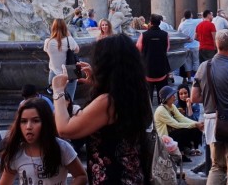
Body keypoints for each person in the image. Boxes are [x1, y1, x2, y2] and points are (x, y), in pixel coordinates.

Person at [52, 33, 153, 184]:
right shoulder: (137, 92)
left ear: (105, 64)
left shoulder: (107, 102)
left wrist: (58, 91)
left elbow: (65, 129)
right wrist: (98, 82)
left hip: (112, 178)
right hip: (133, 175)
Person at [192, 29, 228, 184]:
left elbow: (194, 97)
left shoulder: (204, 66)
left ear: (216, 45)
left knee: (217, 166)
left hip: (212, 122)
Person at [0, 96, 88, 185]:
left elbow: (81, 176)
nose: (28, 127)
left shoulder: (62, 148)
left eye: (35, 121)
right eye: (23, 121)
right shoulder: (16, 153)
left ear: (46, 122)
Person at [153, 85, 203, 159]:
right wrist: (194, 124)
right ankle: (181, 152)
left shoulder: (172, 106)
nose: (174, 96)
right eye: (172, 95)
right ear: (167, 98)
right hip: (164, 138)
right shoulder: (161, 110)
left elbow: (182, 118)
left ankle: (192, 148)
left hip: (172, 132)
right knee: (183, 131)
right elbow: (176, 124)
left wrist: (196, 124)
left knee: (195, 128)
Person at [137, 13, 171, 104]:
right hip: (162, 68)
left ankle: (149, 114)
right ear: (160, 23)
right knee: (163, 96)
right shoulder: (165, 34)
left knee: (147, 96)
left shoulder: (144, 35)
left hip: (147, 68)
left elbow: (138, 48)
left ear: (150, 22)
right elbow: (167, 48)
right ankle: (163, 112)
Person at [44, 18, 80, 99]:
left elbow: (49, 54)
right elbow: (77, 50)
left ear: (52, 28)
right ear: (65, 28)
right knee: (69, 100)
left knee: (56, 99)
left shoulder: (48, 42)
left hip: (54, 74)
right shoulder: (69, 40)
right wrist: (69, 35)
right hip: (70, 73)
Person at [177, 10, 201, 85]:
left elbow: (179, 34)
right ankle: (196, 79)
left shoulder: (182, 24)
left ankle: (189, 79)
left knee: (187, 63)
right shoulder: (195, 21)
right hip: (195, 45)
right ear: (191, 15)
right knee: (196, 62)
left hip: (186, 46)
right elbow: (204, 19)